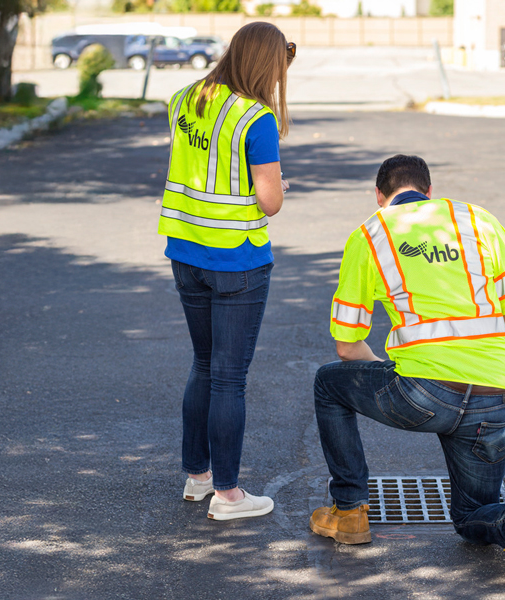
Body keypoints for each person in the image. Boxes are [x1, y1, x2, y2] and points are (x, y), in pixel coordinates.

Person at [309, 155, 505, 585]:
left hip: (421, 392)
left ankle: (348, 512)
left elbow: (347, 347)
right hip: (495, 394)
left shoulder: (371, 233)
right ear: (429, 192)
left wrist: (393, 378)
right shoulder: (478, 220)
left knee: (329, 382)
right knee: (471, 515)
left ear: (380, 197)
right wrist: (495, 375)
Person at [160, 22, 295, 521]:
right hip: (236, 260)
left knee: (203, 364)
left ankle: (198, 478)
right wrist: (281, 185)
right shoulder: (256, 119)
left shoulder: (184, 98)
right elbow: (270, 201)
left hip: (186, 251)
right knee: (229, 378)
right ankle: (230, 495)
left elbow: (203, 161)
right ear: (267, 64)